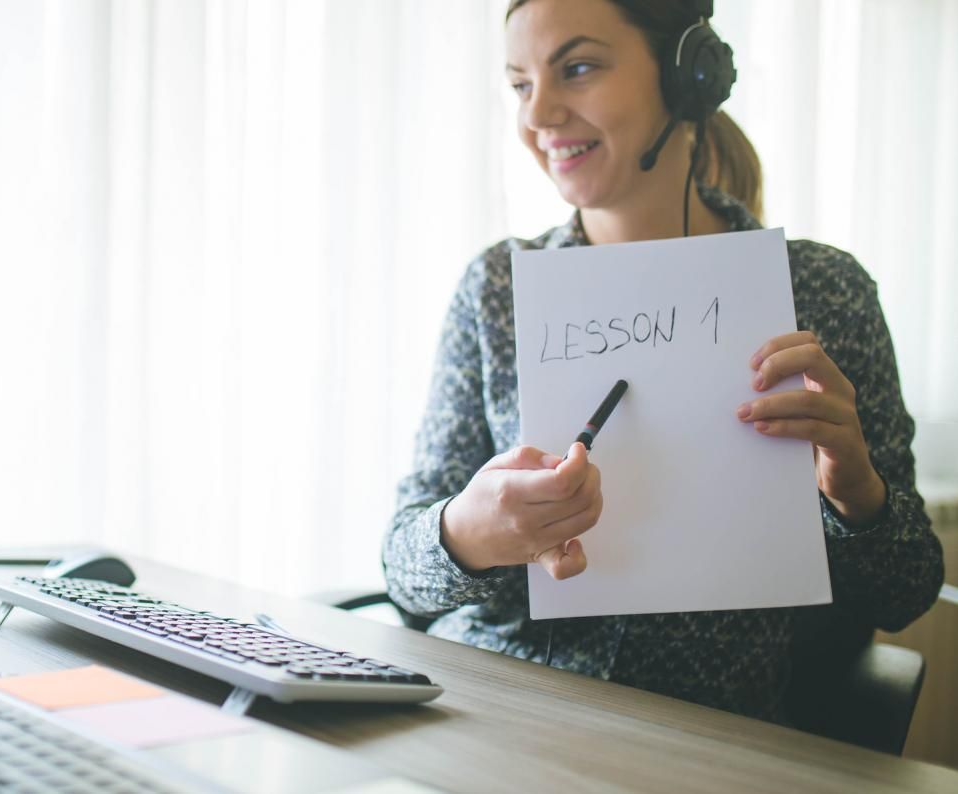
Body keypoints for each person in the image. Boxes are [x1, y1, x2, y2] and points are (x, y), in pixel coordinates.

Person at [381, 0, 945, 723]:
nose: (539, 115)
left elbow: (907, 595)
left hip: (700, 740)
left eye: (577, 68)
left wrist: (855, 492)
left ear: (689, 77)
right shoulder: (497, 286)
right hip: (493, 713)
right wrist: (467, 531)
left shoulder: (822, 292)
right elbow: (401, 569)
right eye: (520, 85)